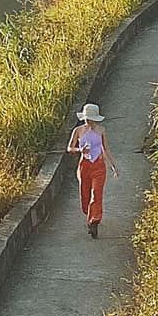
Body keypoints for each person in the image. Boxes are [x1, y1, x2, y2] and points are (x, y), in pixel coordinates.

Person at [68, 101, 118, 237]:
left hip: (99, 165)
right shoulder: (78, 131)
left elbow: (106, 148)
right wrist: (80, 149)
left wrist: (113, 165)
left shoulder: (101, 130)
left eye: (92, 119)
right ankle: (89, 214)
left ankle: (94, 221)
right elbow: (70, 148)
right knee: (85, 194)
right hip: (85, 165)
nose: (90, 122)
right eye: (88, 119)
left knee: (96, 193)